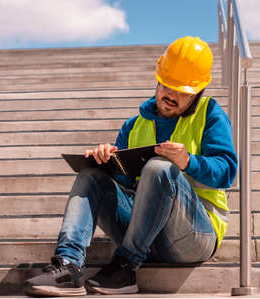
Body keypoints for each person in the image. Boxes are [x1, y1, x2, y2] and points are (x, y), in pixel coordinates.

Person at [24, 36, 238, 297]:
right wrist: (106, 164)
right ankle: (69, 266)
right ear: (158, 80)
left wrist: (188, 162)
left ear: (198, 91)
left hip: (194, 236)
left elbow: (228, 171)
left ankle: (124, 267)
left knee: (160, 168)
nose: (171, 95)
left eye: (182, 91)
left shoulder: (211, 115)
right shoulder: (133, 126)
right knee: (90, 175)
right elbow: (125, 187)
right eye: (167, 86)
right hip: (145, 232)